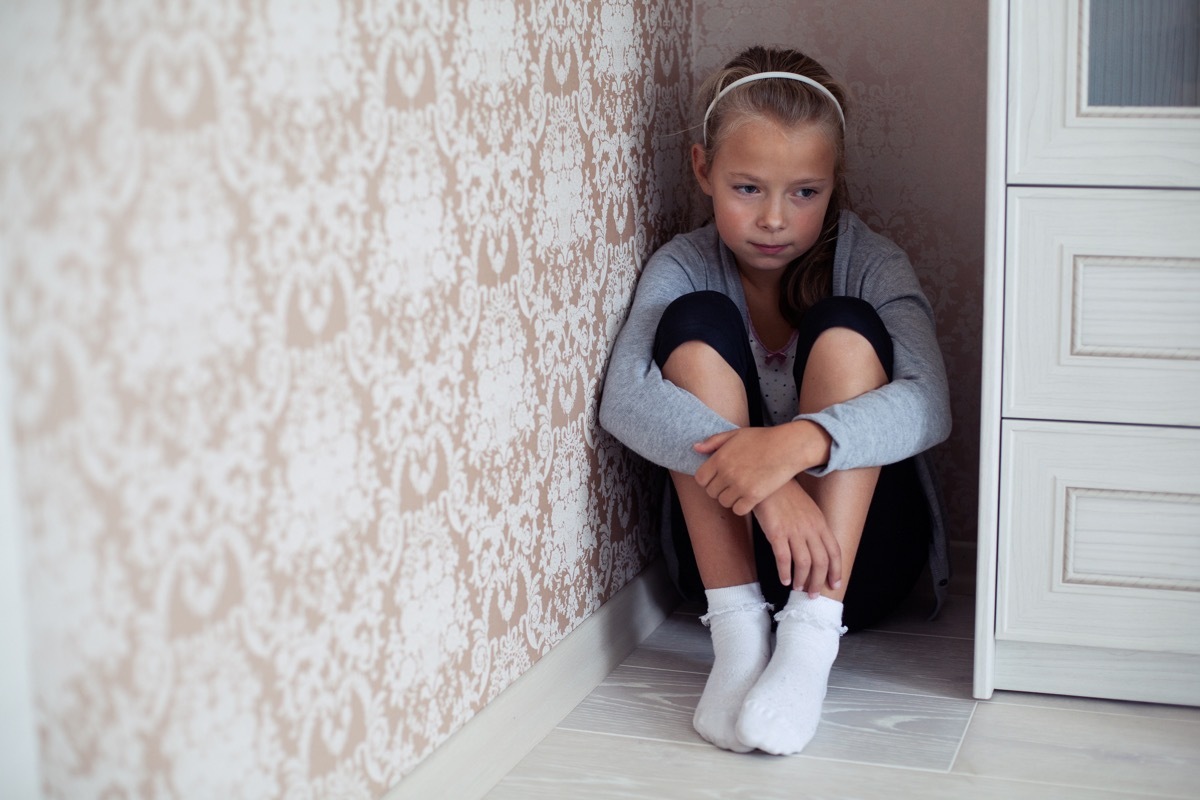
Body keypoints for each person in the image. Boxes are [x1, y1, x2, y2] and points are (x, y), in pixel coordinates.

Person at [598, 46, 952, 756]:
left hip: (855, 571)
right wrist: (766, 490)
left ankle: (808, 642)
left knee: (849, 328)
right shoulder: (684, 263)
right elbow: (624, 404)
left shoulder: (872, 261)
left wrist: (797, 446)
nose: (774, 219)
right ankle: (738, 645)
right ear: (703, 169)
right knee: (693, 323)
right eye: (748, 188)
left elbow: (930, 405)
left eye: (804, 192)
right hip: (721, 570)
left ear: (833, 183)